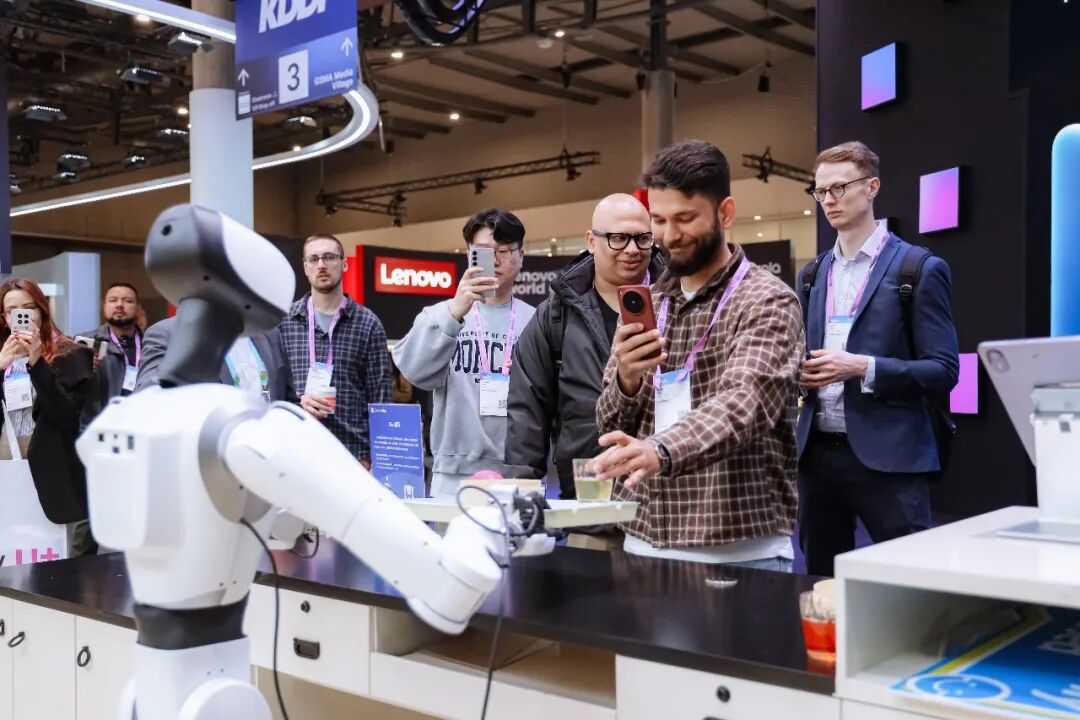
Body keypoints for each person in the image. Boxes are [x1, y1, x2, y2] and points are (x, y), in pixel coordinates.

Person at [591, 140, 803, 569]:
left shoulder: (766, 300)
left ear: (725, 213)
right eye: (659, 220)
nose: (669, 236)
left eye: (685, 218)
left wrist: (660, 450)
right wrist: (627, 379)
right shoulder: (649, 302)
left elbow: (744, 405)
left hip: (738, 549)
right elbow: (610, 425)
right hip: (644, 540)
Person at [797, 141, 959, 576]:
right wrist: (798, 373)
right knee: (822, 582)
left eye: (839, 188)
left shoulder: (918, 269)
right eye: (820, 191)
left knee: (906, 582)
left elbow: (944, 370)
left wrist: (862, 367)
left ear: (872, 187)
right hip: (817, 453)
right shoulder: (811, 275)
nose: (828, 200)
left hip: (891, 456)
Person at [506, 194, 666, 498]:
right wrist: (522, 495)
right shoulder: (555, 316)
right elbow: (527, 411)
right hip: (589, 493)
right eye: (618, 238)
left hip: (667, 496)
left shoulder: (679, 302)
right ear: (592, 241)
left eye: (642, 238)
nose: (632, 249)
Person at [393, 209, 536, 498]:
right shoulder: (438, 315)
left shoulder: (537, 321)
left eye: (504, 251)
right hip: (452, 474)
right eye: (483, 252)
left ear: (521, 256)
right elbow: (416, 374)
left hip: (519, 472)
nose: (495, 261)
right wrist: (454, 315)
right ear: (469, 255)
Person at [0, 278, 97, 556]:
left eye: (29, 307)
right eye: (12, 310)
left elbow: (67, 417)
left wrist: (37, 362)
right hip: (5, 464)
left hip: (52, 468)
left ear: (42, 311)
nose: (21, 316)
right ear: (4, 318)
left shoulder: (72, 355)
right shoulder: (2, 355)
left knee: (51, 557)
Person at [279, 234, 392, 467]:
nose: (321, 265)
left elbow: (381, 401)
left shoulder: (367, 323)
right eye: (314, 259)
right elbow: (272, 391)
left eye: (329, 257)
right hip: (296, 456)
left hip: (353, 456)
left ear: (344, 263)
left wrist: (377, 462)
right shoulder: (283, 322)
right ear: (305, 267)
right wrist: (298, 403)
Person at [134, 317, 294, 404]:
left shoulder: (269, 334)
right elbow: (146, 399)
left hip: (265, 448)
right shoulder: (168, 333)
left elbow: (287, 398)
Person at [79, 282, 144, 427]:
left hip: (141, 424)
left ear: (138, 309)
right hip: (96, 427)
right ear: (104, 307)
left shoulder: (151, 344)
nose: (119, 305)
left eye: (127, 301)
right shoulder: (85, 343)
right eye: (113, 300)